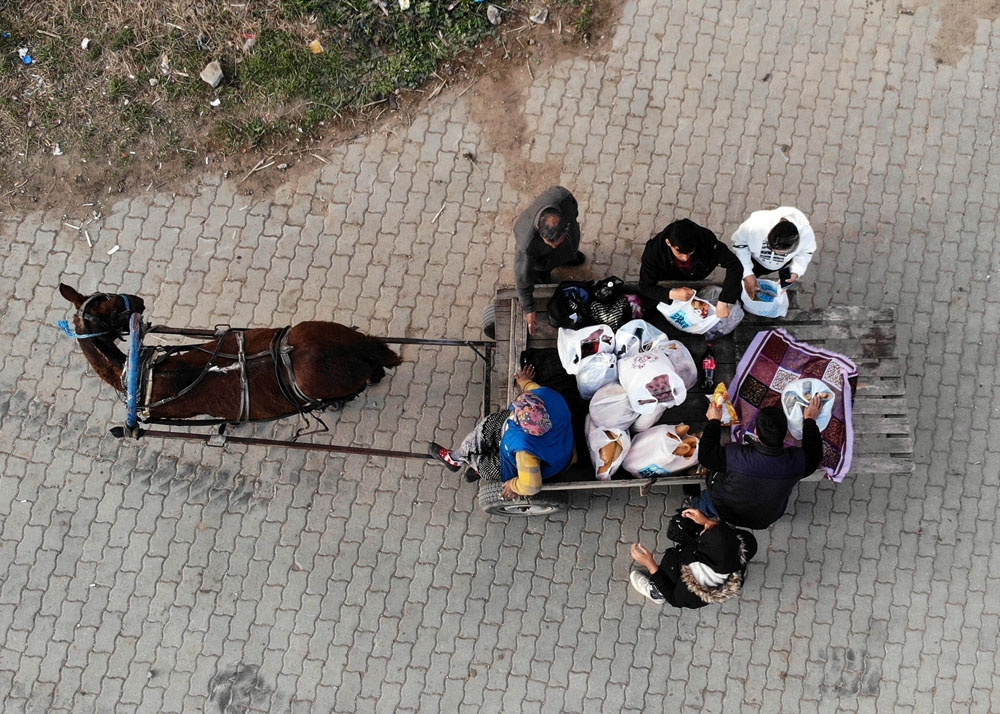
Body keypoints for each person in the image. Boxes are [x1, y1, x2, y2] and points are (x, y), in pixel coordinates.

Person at [428, 365, 575, 499]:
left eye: (516, 415)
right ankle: (456, 458)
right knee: (491, 423)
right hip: (561, 446)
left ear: (523, 428)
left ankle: (472, 464)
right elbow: (533, 389)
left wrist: (514, 485)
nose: (515, 411)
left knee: (487, 468)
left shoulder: (526, 451)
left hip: (541, 464)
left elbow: (532, 486)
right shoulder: (548, 397)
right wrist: (524, 381)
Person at [690, 396, 824, 529]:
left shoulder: (735, 456)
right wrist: (810, 420)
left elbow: (706, 456)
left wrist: (714, 420)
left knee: (706, 502)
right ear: (785, 434)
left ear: (756, 432)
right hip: (765, 518)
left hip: (725, 508)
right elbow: (815, 453)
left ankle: (694, 509)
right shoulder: (797, 463)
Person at [629, 508, 758, 609]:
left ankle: (657, 593)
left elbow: (674, 600)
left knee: (669, 568)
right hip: (723, 561)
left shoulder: (692, 591)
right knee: (680, 523)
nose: (706, 527)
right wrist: (707, 521)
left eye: (707, 530)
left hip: (680, 572)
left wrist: (650, 564)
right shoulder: (745, 542)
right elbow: (722, 536)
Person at [513, 186, 585, 335]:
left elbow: (574, 208)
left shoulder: (561, 196)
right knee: (540, 271)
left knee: (568, 252)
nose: (555, 245)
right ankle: (544, 276)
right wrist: (529, 309)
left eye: (560, 239)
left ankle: (569, 257)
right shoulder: (526, 246)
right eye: (551, 242)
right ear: (540, 231)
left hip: (568, 243)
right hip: (541, 259)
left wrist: (567, 245)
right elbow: (522, 278)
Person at [639, 218, 743, 319]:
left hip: (699, 272)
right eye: (679, 252)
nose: (685, 258)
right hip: (671, 275)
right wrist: (671, 294)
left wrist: (724, 300)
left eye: (690, 252)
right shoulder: (653, 253)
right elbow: (645, 286)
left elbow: (734, 264)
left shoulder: (706, 240)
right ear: (668, 242)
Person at [730, 207, 817, 299]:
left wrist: (796, 271)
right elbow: (739, 244)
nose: (776, 254)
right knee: (738, 278)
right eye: (771, 248)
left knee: (756, 276)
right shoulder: (755, 224)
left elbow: (806, 252)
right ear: (770, 232)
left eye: (782, 253)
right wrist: (747, 273)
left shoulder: (806, 234)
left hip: (779, 265)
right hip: (753, 259)